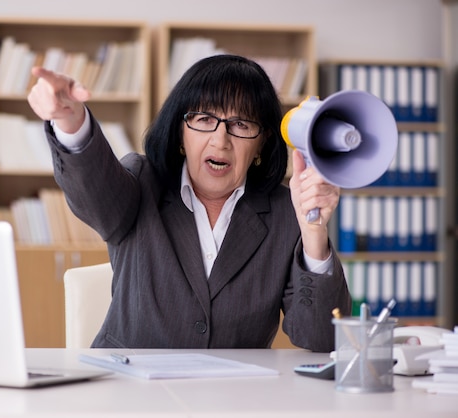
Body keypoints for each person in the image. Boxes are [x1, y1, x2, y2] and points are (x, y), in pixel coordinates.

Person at [27, 54, 352, 352]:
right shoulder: (141, 183)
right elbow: (95, 193)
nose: (220, 140)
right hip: (129, 394)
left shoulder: (285, 211)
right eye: (204, 118)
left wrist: (313, 233)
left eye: (241, 124)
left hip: (234, 397)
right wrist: (72, 122)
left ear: (262, 142)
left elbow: (321, 337)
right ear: (180, 130)